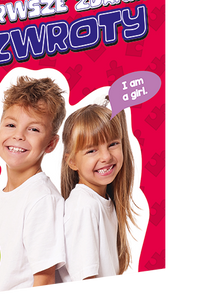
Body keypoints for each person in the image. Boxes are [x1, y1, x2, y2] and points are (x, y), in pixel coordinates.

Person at [0, 76, 67, 296]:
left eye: (33, 129)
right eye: (11, 125)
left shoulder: (42, 199)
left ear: (51, 143)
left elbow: (44, 279)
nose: (18, 135)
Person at [59, 103, 137, 283]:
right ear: (72, 162)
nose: (106, 156)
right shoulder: (84, 206)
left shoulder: (100, 200)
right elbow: (86, 277)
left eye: (113, 144)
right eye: (92, 150)